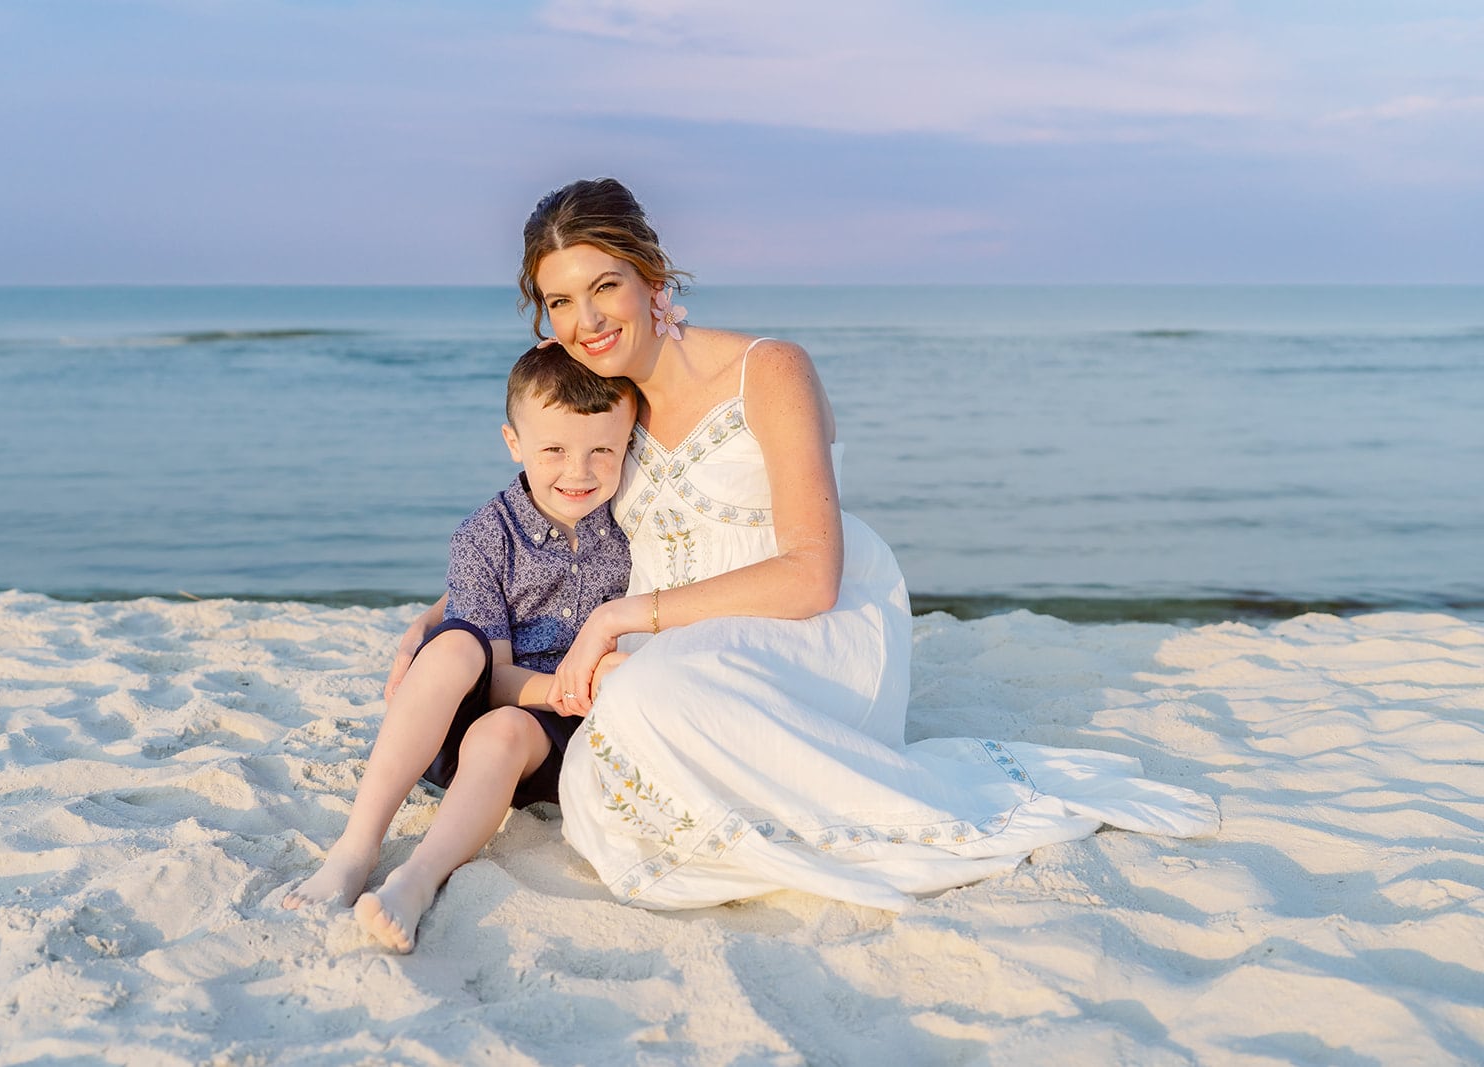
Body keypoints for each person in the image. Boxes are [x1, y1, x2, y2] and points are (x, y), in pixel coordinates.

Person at [519, 177, 1220, 911]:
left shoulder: (769, 369)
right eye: (561, 302)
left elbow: (812, 576)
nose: (587, 319)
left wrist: (614, 618)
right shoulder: (598, 402)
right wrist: (455, 611)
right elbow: (537, 527)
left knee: (645, 696)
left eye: (606, 286)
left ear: (652, 277)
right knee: (609, 756)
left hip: (813, 635)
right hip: (680, 647)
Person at [283, 342, 636, 952]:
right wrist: (564, 684)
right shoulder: (484, 535)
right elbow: (494, 675)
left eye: (602, 450)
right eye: (553, 449)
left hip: (552, 746)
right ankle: (356, 845)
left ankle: (416, 881)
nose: (578, 472)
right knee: (451, 648)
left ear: (628, 445)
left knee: (505, 730)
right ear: (514, 443)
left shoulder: (635, 527)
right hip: (465, 726)